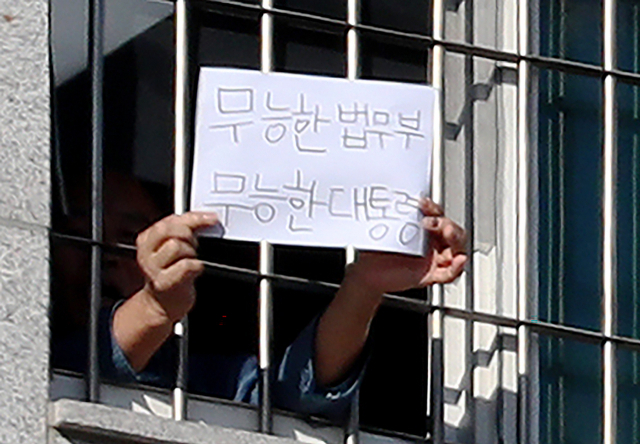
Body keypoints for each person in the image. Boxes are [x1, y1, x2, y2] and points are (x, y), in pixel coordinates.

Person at [52, 172, 467, 419]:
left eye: (128, 237)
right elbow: (79, 365)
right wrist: (155, 307)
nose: (105, 255)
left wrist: (364, 286)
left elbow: (296, 395)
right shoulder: (29, 357)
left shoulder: (194, 377)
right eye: (79, 236)